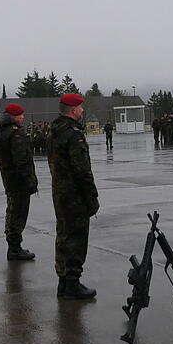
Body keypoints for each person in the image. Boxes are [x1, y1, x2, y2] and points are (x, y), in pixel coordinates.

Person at [47, 93, 99, 300]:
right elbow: (82, 169)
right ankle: (72, 284)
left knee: (63, 236)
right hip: (74, 194)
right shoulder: (73, 134)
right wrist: (91, 196)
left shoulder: (55, 130)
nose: (83, 111)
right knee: (76, 238)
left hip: (60, 192)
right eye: (80, 107)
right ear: (73, 109)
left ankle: (63, 282)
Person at [0, 103, 38, 261]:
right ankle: (15, 248)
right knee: (18, 214)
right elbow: (21, 160)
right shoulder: (15, 134)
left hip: (10, 180)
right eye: (20, 114)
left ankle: (14, 246)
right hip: (18, 182)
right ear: (13, 116)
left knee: (12, 212)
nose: (23, 117)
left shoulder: (4, 132)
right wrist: (28, 181)